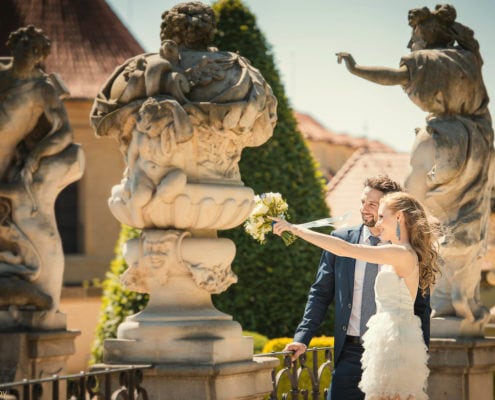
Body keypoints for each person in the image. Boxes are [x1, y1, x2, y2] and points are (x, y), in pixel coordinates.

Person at [336, 4, 493, 329]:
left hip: (452, 136)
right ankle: (456, 299)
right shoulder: (468, 59)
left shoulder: (436, 61)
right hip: (479, 140)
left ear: (433, 33)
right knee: (461, 221)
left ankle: (438, 292)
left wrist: (356, 68)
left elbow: (398, 76)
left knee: (425, 202)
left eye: (418, 34)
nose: (412, 43)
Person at [277, 176, 433, 400]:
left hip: (392, 351)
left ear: (398, 216)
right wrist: (303, 337)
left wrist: (296, 230)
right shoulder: (405, 252)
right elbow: (321, 292)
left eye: (379, 213)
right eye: (363, 203)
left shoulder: (399, 253)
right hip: (363, 350)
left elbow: (343, 249)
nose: (376, 222)